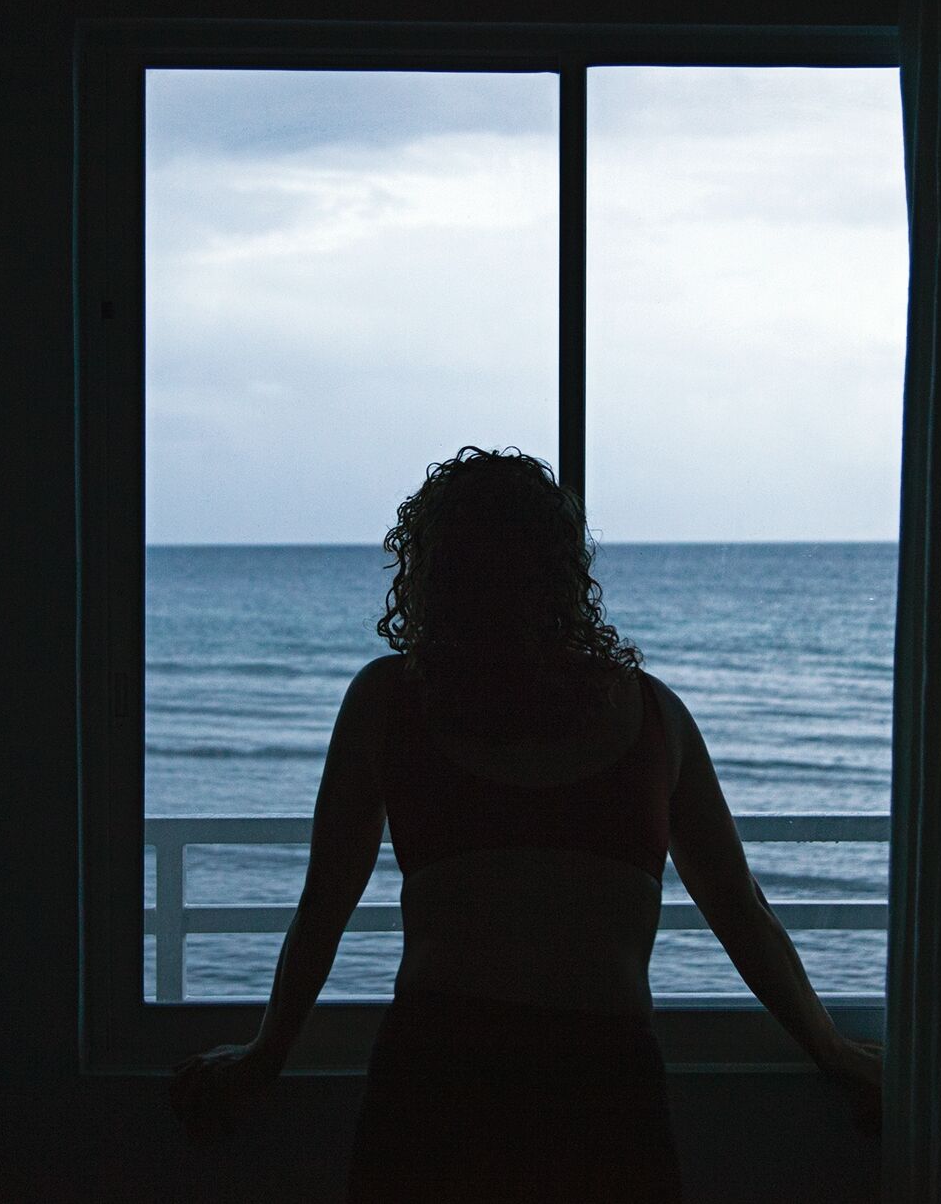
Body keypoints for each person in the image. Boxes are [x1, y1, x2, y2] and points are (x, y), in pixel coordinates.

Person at [170, 447, 882, 1201]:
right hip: (600, 1084)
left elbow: (324, 904)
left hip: (441, 1079)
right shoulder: (652, 716)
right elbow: (740, 908)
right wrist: (832, 1053)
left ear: (431, 572)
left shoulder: (390, 703)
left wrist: (265, 1057)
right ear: (564, 571)